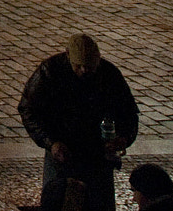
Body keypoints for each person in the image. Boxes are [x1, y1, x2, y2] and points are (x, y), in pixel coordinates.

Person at [19, 34, 139, 211]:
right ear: (67, 56)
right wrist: (50, 143)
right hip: (63, 155)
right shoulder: (49, 71)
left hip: (98, 156)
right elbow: (29, 109)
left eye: (89, 66)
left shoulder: (109, 75)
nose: (84, 70)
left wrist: (124, 137)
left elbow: (128, 113)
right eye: (78, 65)